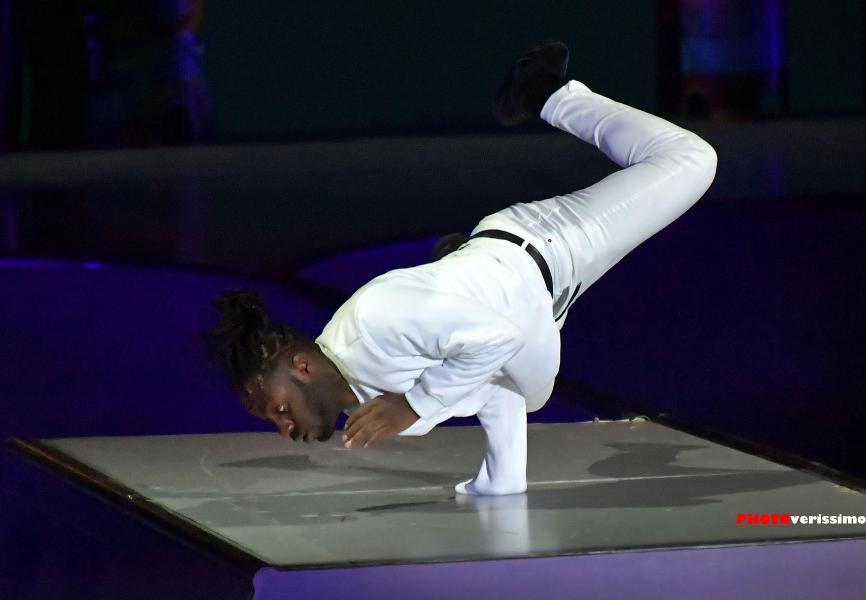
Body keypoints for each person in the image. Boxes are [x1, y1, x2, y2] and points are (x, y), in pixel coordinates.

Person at [206, 41, 717, 496]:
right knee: (511, 379)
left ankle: (542, 92)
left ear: (302, 367)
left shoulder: (374, 321)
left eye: (278, 409)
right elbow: (492, 387)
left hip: (544, 246)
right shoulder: (375, 405)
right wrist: (500, 480)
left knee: (691, 159)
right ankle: (462, 268)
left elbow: (499, 340)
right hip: (540, 295)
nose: (284, 427)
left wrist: (417, 404)